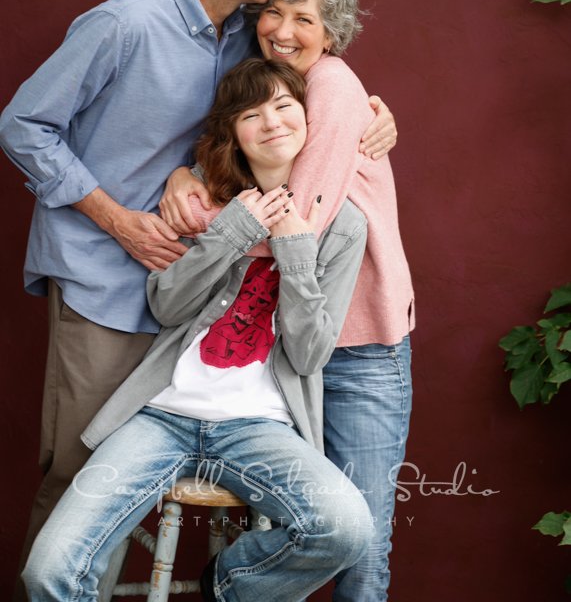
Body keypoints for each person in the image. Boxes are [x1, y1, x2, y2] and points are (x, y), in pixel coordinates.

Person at [0, 0, 394, 596]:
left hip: (197, 291)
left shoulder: (249, 32)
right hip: (106, 278)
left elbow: (292, 92)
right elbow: (23, 125)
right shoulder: (125, 24)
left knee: (319, 515)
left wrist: (373, 110)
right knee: (77, 478)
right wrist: (116, 216)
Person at [22, 57, 374, 602]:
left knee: (347, 527)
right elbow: (166, 304)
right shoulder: (205, 200)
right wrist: (232, 230)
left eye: (285, 106)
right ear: (234, 132)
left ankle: (226, 586)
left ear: (308, 119)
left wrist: (296, 250)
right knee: (48, 569)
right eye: (252, 115)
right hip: (161, 416)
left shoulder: (344, 225)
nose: (273, 122)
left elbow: (308, 356)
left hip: (261, 427)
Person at [160, 0, 415, 602]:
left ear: (330, 34)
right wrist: (184, 174)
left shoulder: (330, 83)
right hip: (290, 342)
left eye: (304, 17)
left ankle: (230, 581)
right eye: (273, 10)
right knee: (311, 517)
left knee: (360, 536)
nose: (283, 28)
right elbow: (228, 158)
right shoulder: (276, 87)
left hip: (357, 348)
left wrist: (212, 231)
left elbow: (302, 218)